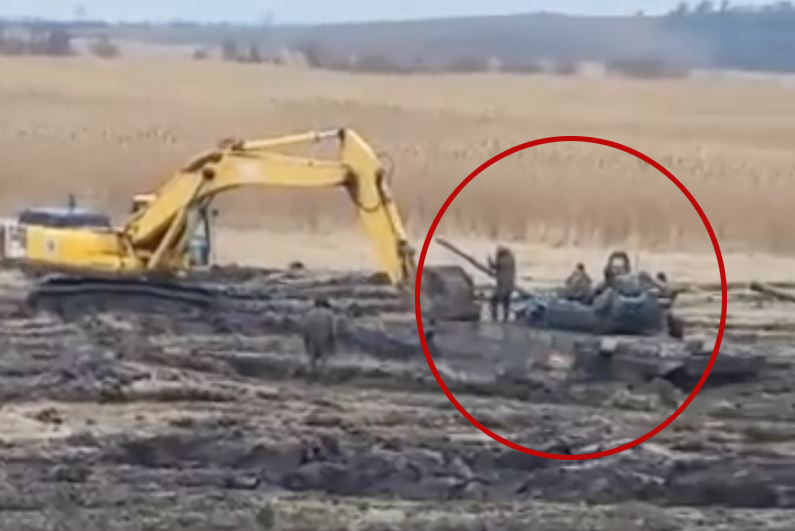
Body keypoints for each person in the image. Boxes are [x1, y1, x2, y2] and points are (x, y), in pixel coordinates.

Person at [301, 297, 337, 378]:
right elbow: (333, 329)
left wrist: (306, 341)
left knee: (311, 359)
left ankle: (309, 377)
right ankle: (324, 378)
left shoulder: (309, 314)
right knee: (325, 360)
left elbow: (304, 328)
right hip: (325, 338)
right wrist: (333, 342)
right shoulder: (329, 313)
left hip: (312, 338)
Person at [487, 245, 516, 322]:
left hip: (503, 284)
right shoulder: (511, 258)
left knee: (494, 300)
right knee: (506, 302)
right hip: (510, 284)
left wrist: (489, 260)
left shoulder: (502, 260)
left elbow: (494, 266)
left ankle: (494, 317)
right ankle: (505, 318)